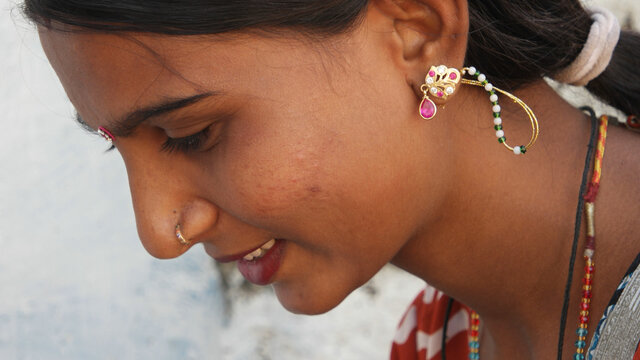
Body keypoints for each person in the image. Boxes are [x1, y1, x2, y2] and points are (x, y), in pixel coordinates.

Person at [22, 0, 640, 359]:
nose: (159, 233)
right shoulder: (436, 339)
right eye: (116, 150)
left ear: (418, 31)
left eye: (191, 133)